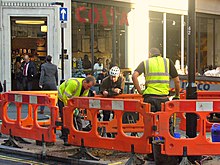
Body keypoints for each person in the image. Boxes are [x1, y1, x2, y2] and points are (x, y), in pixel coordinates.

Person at [132, 47, 180, 161]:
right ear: (160, 54)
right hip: (164, 99)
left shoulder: (146, 62)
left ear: (150, 54)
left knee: (150, 126)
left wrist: (140, 91)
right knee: (166, 126)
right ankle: (169, 151)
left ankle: (151, 154)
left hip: (149, 98)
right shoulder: (167, 62)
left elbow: (134, 76)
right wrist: (177, 95)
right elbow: (177, 80)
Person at [58, 76, 96, 145]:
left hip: (73, 103)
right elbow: (65, 97)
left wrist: (77, 108)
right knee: (66, 118)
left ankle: (79, 136)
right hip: (63, 100)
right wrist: (70, 108)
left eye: (90, 87)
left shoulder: (86, 88)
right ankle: (66, 137)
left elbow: (82, 99)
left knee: (77, 118)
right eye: (88, 86)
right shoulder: (74, 83)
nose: (88, 88)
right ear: (84, 82)